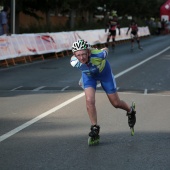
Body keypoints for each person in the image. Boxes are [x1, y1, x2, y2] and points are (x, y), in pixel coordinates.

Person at [70, 39, 136, 141]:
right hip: (89, 77)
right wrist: (82, 79)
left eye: (84, 54)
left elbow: (106, 49)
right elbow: (84, 67)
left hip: (105, 74)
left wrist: (95, 50)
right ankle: (95, 127)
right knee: (89, 100)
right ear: (75, 55)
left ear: (88, 52)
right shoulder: (74, 62)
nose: (82, 57)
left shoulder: (98, 55)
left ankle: (130, 111)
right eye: (78, 55)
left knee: (116, 103)